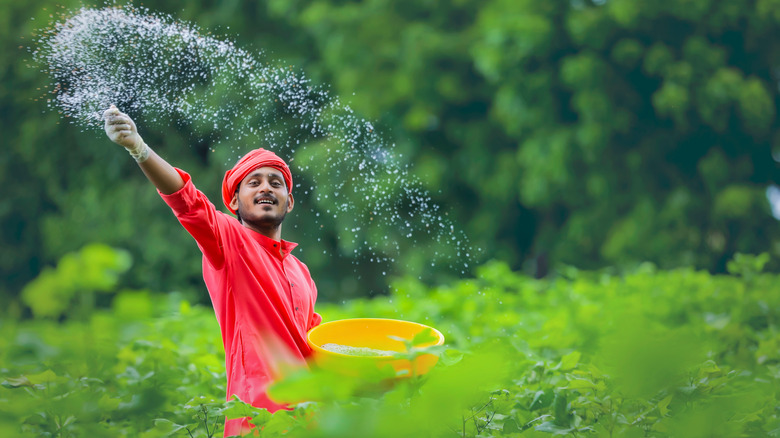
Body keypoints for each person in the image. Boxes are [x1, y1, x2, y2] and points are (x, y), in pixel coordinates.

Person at [103, 105, 322, 437]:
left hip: (311, 421)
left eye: (275, 183)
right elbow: (188, 202)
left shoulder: (300, 270)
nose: (266, 187)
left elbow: (318, 348)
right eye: (254, 182)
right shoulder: (228, 242)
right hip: (257, 419)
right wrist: (139, 148)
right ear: (234, 202)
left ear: (288, 202)